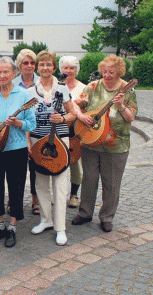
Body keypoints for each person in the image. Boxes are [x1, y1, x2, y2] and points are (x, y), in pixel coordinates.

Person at [72, 55, 137, 233]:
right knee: (89, 180)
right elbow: (76, 104)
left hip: (116, 146)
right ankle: (85, 213)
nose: (107, 75)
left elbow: (131, 118)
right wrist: (81, 116)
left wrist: (121, 105)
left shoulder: (127, 90)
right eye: (104, 71)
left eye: (111, 72)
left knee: (111, 183)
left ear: (119, 72)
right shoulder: (93, 86)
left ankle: (107, 217)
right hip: (91, 142)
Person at [0, 57, 36, 248]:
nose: (1, 75)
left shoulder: (24, 95)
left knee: (16, 187)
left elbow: (32, 124)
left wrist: (18, 123)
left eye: (5, 72)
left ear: (14, 73)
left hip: (16, 150)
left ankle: (13, 227)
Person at [27, 50, 76, 246]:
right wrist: (28, 144)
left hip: (60, 140)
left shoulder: (62, 88)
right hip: (39, 140)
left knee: (60, 184)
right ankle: (45, 220)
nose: (45, 68)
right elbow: (28, 121)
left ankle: (60, 228)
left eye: (49, 64)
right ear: (37, 68)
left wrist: (63, 118)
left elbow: (73, 114)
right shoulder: (31, 92)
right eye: (42, 65)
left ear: (54, 68)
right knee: (40, 183)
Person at [12, 49, 41, 215]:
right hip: (18, 132)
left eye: (32, 63)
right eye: (25, 63)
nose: (29, 66)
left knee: (36, 170)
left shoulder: (42, 82)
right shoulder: (13, 84)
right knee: (16, 170)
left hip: (38, 132)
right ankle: (14, 201)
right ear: (19, 66)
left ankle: (36, 201)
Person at [59, 56, 86, 208]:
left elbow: (87, 109)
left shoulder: (83, 88)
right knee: (56, 160)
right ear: (61, 69)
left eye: (72, 68)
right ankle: (57, 192)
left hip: (76, 131)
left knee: (76, 164)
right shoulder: (56, 85)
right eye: (65, 68)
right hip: (57, 129)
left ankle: (74, 194)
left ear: (76, 70)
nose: (68, 71)